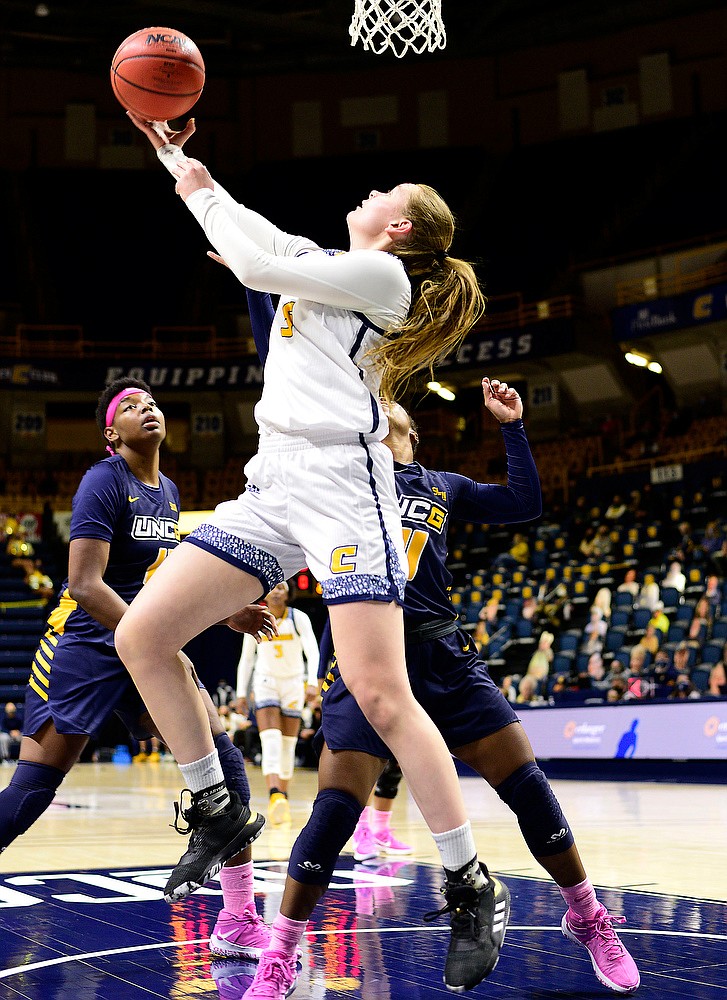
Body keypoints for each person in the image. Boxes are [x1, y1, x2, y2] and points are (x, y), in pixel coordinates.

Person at [116, 114, 500, 991]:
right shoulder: (330, 265)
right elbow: (252, 233)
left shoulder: (379, 273)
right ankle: (218, 808)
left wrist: (227, 223)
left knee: (380, 693)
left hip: (341, 487)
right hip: (274, 482)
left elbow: (252, 260)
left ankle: (468, 883)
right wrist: (176, 156)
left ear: (399, 228)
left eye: (381, 197)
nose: (365, 196)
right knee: (143, 637)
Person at [241, 358, 638, 997]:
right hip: (365, 661)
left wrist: (512, 429)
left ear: (408, 431)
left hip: (441, 655)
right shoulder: (335, 482)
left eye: (386, 403)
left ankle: (587, 916)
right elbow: (264, 541)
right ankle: (279, 956)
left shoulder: (441, 485)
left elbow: (524, 502)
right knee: (332, 818)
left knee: (528, 787)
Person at [0, 378, 276, 961]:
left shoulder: (169, 491)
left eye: (152, 403)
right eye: (131, 406)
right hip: (83, 647)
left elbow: (168, 585)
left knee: (222, 755)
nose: (146, 409)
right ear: (111, 432)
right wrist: (148, 637)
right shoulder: (104, 481)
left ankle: (238, 920)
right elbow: (83, 584)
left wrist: (226, 612)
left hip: (139, 644)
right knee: (31, 791)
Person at [236, 580, 319, 825]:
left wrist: (312, 681)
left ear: (287, 594)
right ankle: (275, 794)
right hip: (266, 681)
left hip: (293, 682)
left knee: (288, 744)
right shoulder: (256, 617)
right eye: (273, 586)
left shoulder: (298, 618)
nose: (276, 590)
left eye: (281, 587)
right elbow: (247, 659)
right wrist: (242, 692)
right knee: (270, 739)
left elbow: (312, 651)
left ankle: (282, 796)